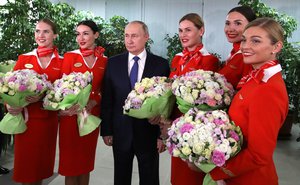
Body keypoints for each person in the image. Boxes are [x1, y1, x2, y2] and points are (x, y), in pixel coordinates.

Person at [203, 17, 288, 185]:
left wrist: (217, 172)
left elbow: (259, 155)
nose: (245, 46)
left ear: (276, 47)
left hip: (251, 179)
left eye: (255, 41)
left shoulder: (268, 89)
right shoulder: (255, 78)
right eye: (244, 40)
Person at [150, 13, 220, 185]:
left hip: (193, 129)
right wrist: (163, 124)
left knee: (191, 177)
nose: (183, 35)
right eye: (180, 30)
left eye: (188, 30)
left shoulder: (209, 60)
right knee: (177, 178)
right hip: (173, 125)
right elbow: (170, 95)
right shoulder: (177, 58)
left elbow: (205, 103)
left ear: (201, 31)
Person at [100, 20, 170, 185]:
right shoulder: (113, 63)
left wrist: (162, 136)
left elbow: (167, 103)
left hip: (149, 132)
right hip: (120, 131)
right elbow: (108, 99)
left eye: (134, 36)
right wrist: (107, 130)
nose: (129, 40)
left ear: (146, 37)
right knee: (121, 177)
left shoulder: (160, 64)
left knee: (150, 177)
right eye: (126, 36)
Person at [7, 18, 62, 185]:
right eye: (38, 31)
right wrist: (10, 105)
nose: (41, 35)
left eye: (46, 31)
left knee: (41, 169)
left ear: (55, 35)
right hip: (26, 123)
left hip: (48, 123)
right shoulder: (24, 58)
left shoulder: (62, 61)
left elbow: (63, 91)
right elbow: (9, 87)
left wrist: (44, 96)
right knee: (26, 170)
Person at [58, 20, 107, 185]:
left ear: (96, 35)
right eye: (78, 34)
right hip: (71, 116)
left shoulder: (104, 60)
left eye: (85, 33)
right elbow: (61, 86)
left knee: (86, 162)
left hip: (90, 116)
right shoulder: (70, 56)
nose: (81, 38)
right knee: (70, 164)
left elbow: (105, 90)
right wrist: (68, 105)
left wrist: (94, 101)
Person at [218, 6, 256, 89]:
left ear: (251, 26)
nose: (230, 29)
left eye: (238, 23)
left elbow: (248, 91)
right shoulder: (234, 51)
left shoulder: (248, 55)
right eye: (228, 23)